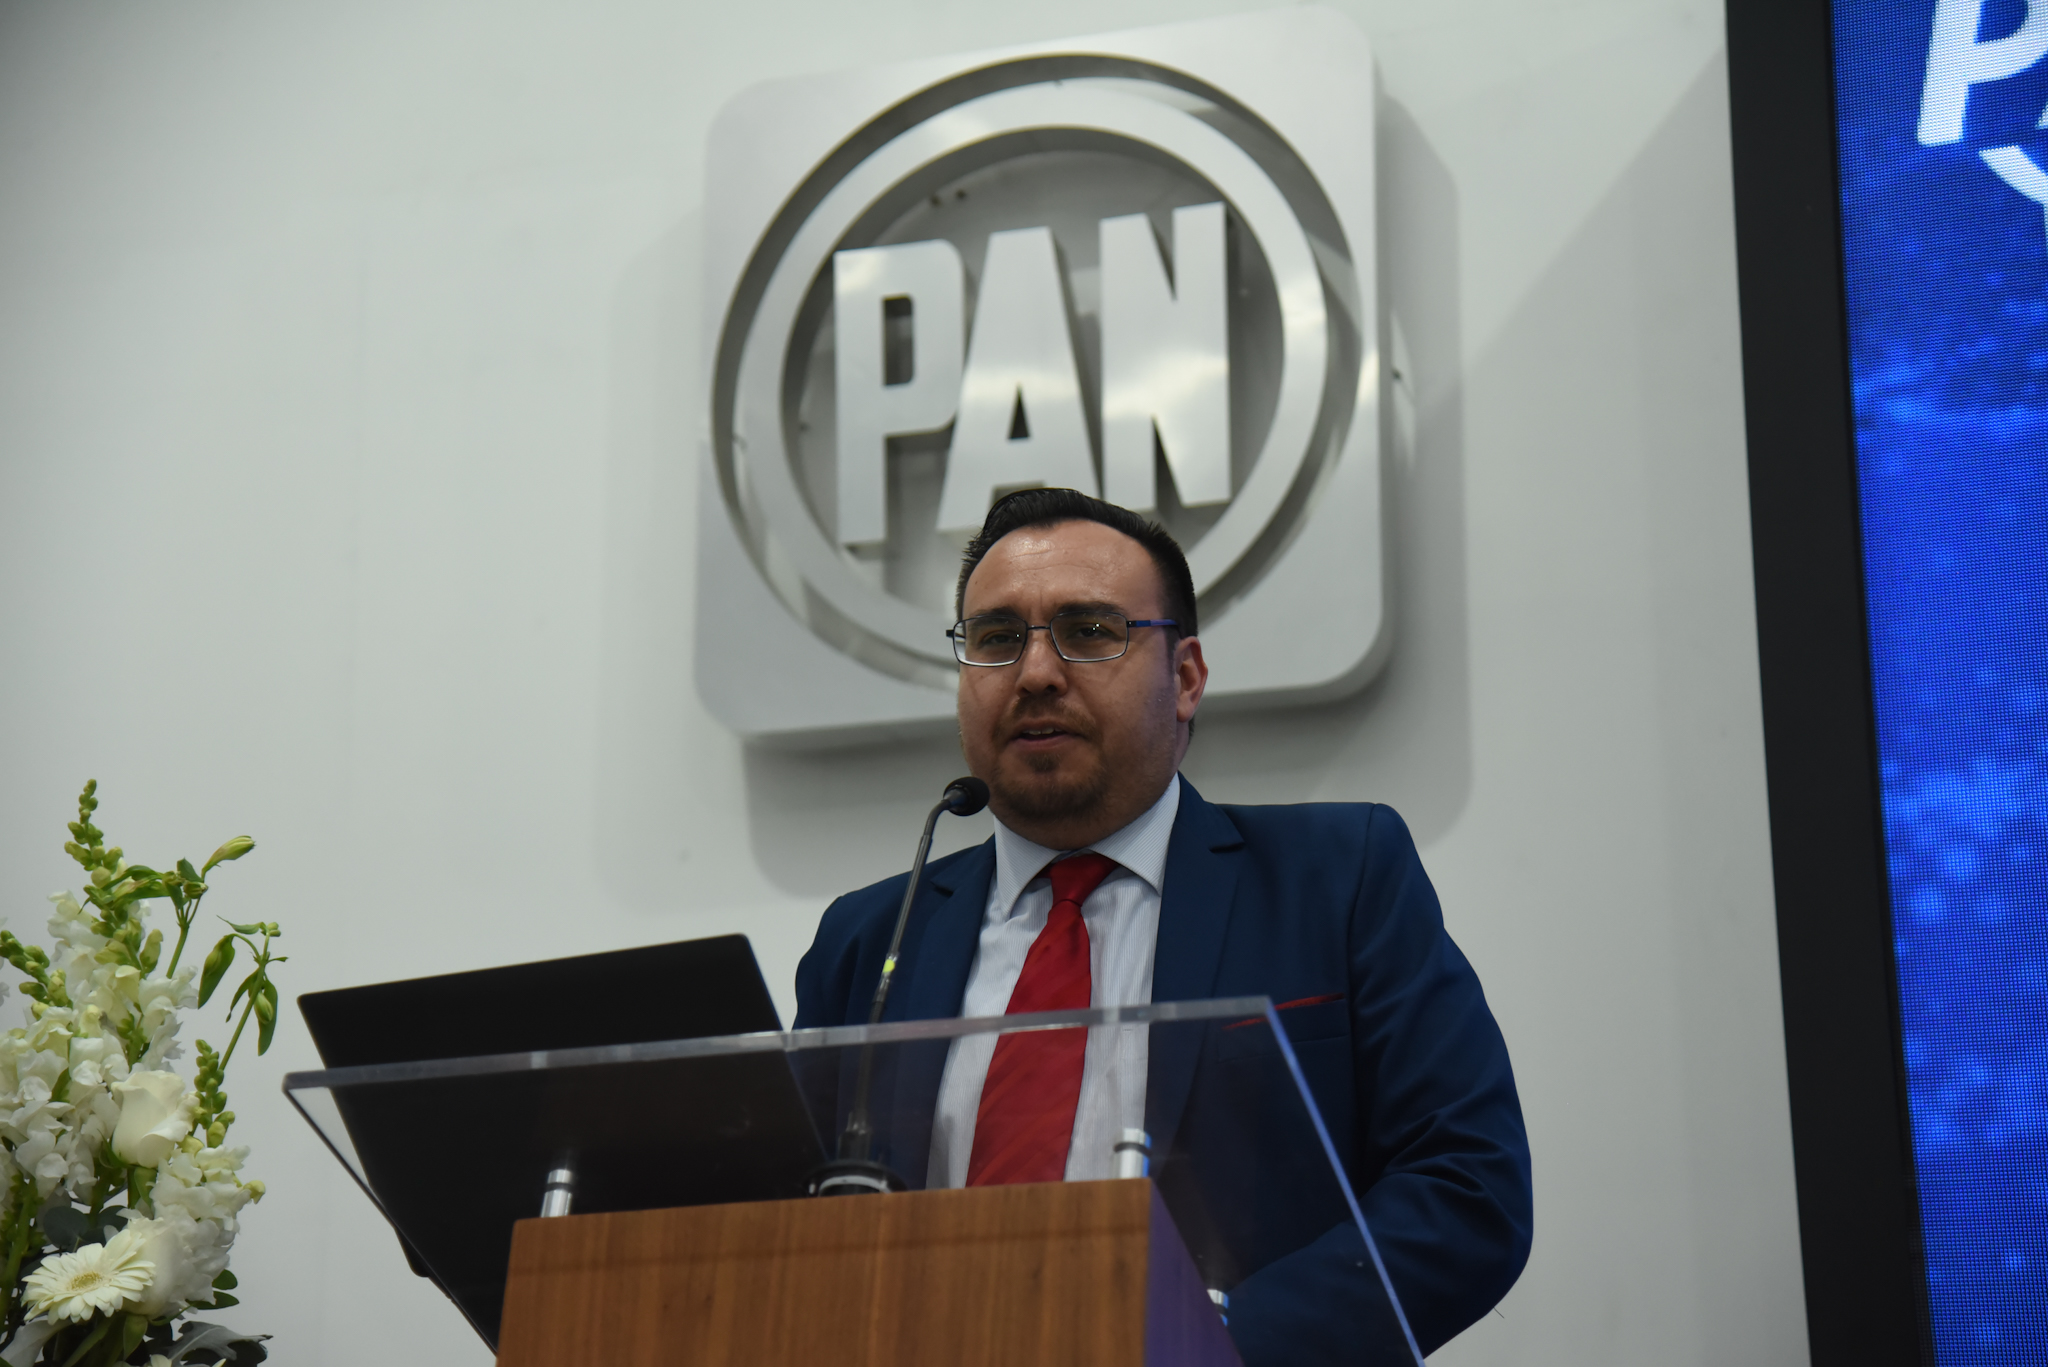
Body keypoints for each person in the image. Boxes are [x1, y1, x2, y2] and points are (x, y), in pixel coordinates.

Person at [795, 488, 1532, 1361]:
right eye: (996, 638)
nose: (1036, 672)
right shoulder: (870, 937)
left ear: (1185, 678)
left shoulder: (1339, 879)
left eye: (1089, 631)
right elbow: (780, 1226)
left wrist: (1205, 1342)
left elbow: (1466, 1186)